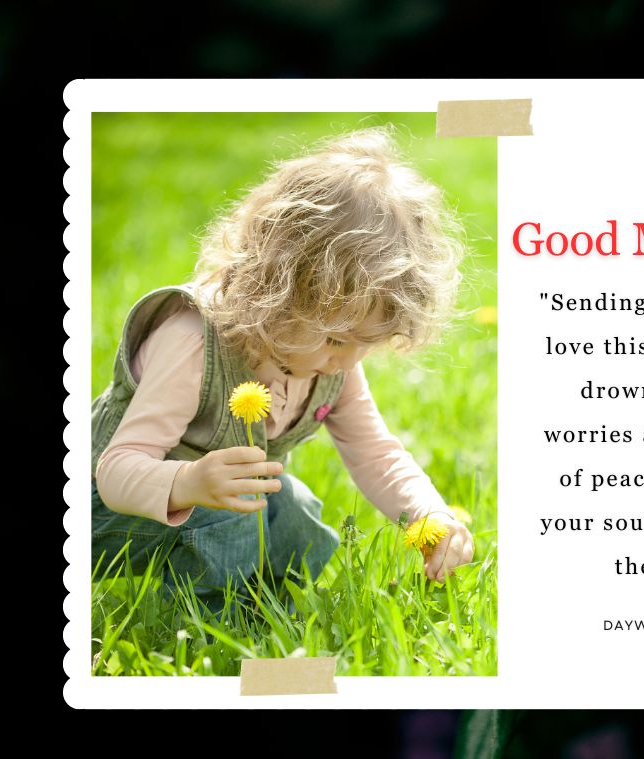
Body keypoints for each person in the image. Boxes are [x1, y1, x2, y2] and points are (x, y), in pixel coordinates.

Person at [90, 127, 475, 605]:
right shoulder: (192, 341)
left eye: (365, 344)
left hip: (213, 504)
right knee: (232, 510)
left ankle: (278, 601)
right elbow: (115, 471)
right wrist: (189, 482)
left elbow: (375, 452)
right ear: (277, 294)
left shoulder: (332, 362)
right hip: (100, 513)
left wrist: (428, 514)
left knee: (291, 507)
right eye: (336, 338)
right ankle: (215, 621)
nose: (348, 361)